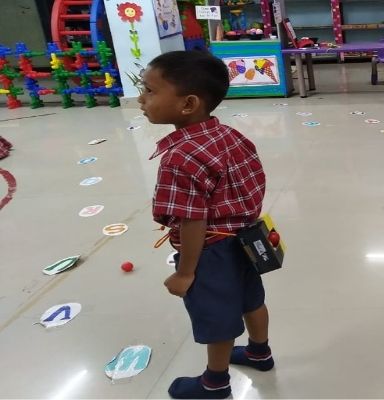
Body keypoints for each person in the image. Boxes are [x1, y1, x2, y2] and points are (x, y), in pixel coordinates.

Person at [141, 50, 272, 399]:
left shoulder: (180, 157)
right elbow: (254, 181)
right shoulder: (228, 135)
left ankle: (215, 383)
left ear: (188, 104)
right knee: (251, 300)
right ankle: (259, 352)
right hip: (246, 238)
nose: (141, 99)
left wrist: (186, 273)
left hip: (212, 251)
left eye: (150, 90)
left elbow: (192, 220)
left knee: (217, 318)